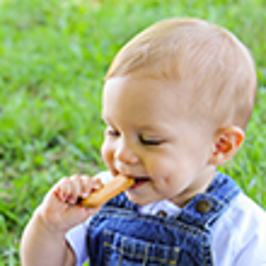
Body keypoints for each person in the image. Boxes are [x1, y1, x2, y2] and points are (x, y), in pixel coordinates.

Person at [20, 18, 266, 266]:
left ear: (220, 146)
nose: (122, 154)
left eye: (150, 141)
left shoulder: (243, 232)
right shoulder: (99, 199)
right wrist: (50, 227)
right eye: (114, 132)